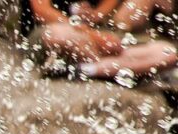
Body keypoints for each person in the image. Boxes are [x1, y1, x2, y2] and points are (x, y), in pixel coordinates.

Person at [28, 0, 177, 80]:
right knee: (58, 34)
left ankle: (85, 70)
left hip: (98, 41)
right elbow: (42, 12)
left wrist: (97, 14)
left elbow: (103, 14)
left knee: (167, 53)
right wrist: (94, 35)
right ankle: (115, 68)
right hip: (60, 34)